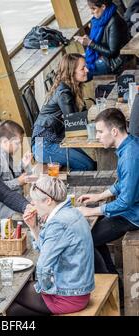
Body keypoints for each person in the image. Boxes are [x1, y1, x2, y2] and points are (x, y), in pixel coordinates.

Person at [7, 176, 94, 316]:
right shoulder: (72, 212)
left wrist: (44, 290)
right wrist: (34, 227)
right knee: (15, 303)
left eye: (34, 201)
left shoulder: (58, 223)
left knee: (9, 296)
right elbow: (48, 250)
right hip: (80, 290)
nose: (32, 205)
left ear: (48, 201)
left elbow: (43, 266)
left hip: (67, 297)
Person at [77, 108, 139, 275]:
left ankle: (110, 284)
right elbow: (123, 184)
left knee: (85, 238)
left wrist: (91, 211)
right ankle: (111, 276)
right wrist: (99, 196)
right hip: (131, 208)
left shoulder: (130, 156)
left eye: (99, 131)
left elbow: (125, 201)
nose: (97, 136)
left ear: (114, 131)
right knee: (92, 235)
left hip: (133, 215)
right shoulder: (129, 144)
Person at [32, 53, 96, 171]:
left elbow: (78, 120)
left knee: (92, 164)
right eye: (83, 68)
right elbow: (74, 125)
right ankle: (72, 189)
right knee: (88, 166)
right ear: (71, 72)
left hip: (55, 140)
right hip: (44, 145)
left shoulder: (70, 88)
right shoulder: (64, 93)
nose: (87, 70)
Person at [0, 120, 34, 221]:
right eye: (17, 143)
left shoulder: (5, 151)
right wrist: (18, 182)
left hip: (11, 202)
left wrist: (22, 164)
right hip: (1, 211)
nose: (19, 147)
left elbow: (9, 175)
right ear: (5, 141)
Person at [74, 0, 129, 79]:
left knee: (77, 73)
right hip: (103, 55)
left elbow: (112, 53)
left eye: (94, 9)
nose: (91, 12)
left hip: (115, 62)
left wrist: (90, 43)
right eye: (90, 9)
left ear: (103, 7)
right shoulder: (98, 20)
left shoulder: (114, 21)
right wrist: (88, 40)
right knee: (76, 64)